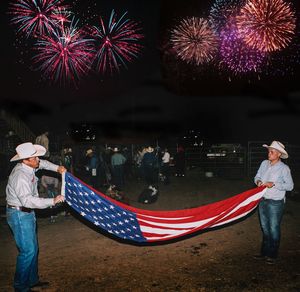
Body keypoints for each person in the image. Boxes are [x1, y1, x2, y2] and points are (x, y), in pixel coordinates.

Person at [6, 142, 66, 292]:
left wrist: (57, 168)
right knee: (28, 251)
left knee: (32, 249)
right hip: (20, 213)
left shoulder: (30, 165)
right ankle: (21, 287)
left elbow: (44, 164)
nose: (38, 160)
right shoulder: (20, 176)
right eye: (35, 158)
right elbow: (28, 200)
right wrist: (52, 200)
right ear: (26, 160)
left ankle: (32, 280)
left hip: (25, 212)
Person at [254, 141, 294, 264]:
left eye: (272, 151)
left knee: (273, 228)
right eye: (269, 151)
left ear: (279, 154)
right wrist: (258, 182)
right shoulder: (264, 164)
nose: (269, 153)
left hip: (275, 202)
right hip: (263, 200)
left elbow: (290, 186)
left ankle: (273, 255)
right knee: (265, 228)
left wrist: (274, 184)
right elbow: (257, 176)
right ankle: (264, 253)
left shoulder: (284, 168)